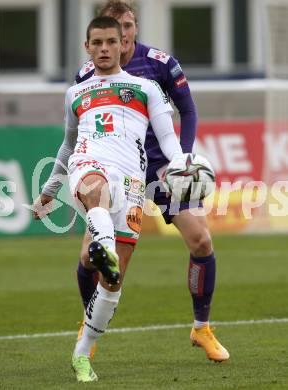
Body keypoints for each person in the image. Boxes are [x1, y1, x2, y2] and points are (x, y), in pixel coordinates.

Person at [34, 16, 187, 382]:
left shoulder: (147, 88)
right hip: (88, 164)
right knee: (95, 193)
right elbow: (68, 146)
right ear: (87, 47)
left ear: (123, 45)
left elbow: (167, 139)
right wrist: (50, 190)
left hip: (132, 184)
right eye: (97, 43)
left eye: (110, 42)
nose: (104, 49)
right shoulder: (76, 93)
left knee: (112, 280)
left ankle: (82, 353)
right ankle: (103, 247)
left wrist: (181, 163)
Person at [74, 0, 229, 363]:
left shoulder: (158, 63)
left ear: (134, 27)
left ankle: (201, 328)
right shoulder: (86, 75)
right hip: (115, 167)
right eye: (114, 28)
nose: (121, 35)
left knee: (201, 240)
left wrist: (182, 159)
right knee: (91, 256)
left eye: (127, 25)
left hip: (160, 165)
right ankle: (89, 323)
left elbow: (187, 108)